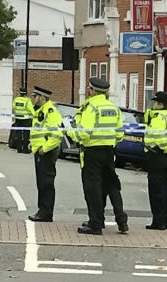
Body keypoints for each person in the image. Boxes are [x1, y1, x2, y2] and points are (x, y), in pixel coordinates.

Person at [68, 77, 127, 235]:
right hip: (109, 152)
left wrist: (71, 133)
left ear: (92, 90)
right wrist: (110, 141)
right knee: (112, 185)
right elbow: (120, 133)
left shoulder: (91, 107)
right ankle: (122, 221)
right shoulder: (113, 108)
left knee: (92, 189)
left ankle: (95, 224)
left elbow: (84, 134)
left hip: (92, 152)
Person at [27, 86, 64, 222]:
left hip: (46, 152)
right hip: (39, 150)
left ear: (42, 97)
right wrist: (33, 143)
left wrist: (44, 148)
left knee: (46, 183)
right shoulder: (40, 111)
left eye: (34, 96)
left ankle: (46, 212)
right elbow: (39, 131)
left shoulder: (50, 112)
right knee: (41, 183)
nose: (32, 99)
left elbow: (56, 135)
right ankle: (42, 210)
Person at [143, 91, 167, 230]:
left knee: (156, 191)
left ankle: (158, 222)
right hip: (166, 158)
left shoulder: (158, 117)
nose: (153, 105)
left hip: (157, 155)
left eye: (156, 102)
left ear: (161, 104)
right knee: (164, 189)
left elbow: (159, 137)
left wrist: (165, 148)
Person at [11, 87, 34, 153]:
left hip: (18, 118)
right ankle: (25, 149)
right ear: (26, 94)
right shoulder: (27, 100)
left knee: (18, 134)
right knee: (26, 134)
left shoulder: (16, 99)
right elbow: (31, 109)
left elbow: (13, 107)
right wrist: (35, 115)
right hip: (26, 119)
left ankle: (19, 149)